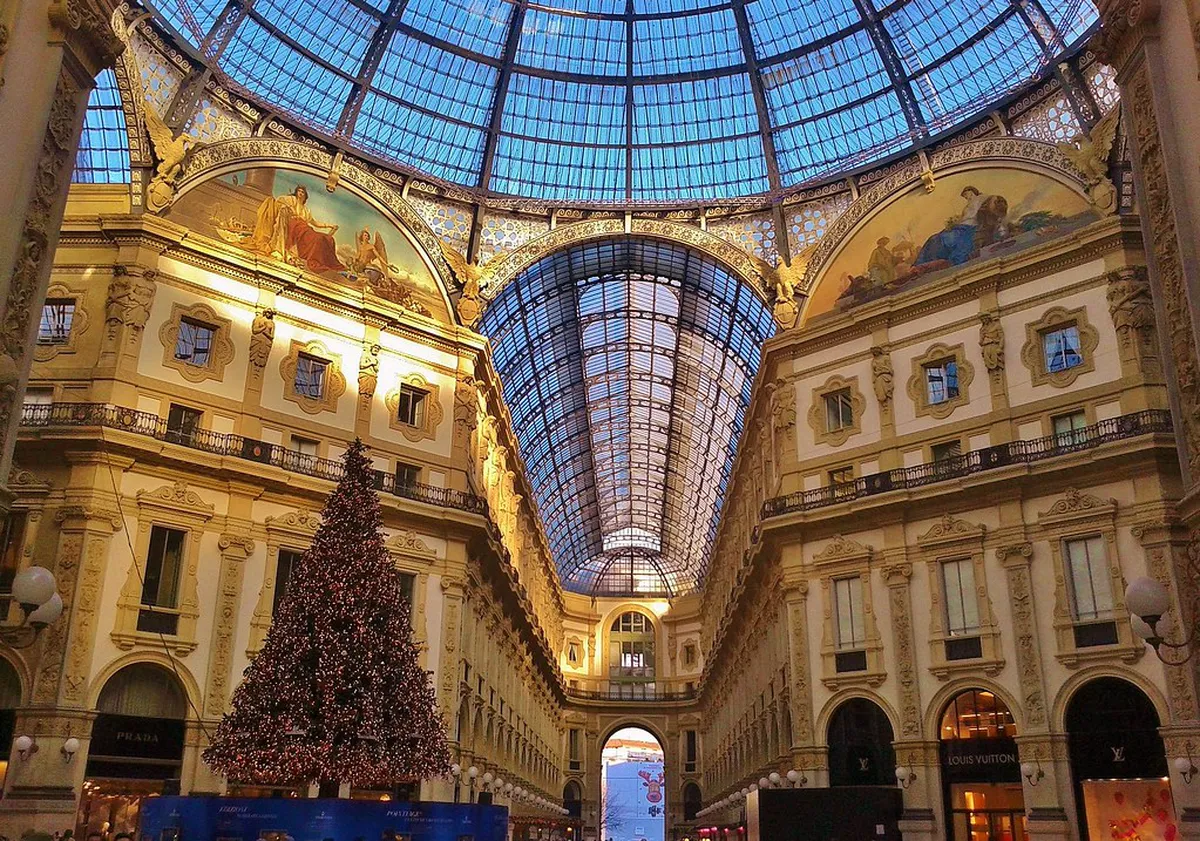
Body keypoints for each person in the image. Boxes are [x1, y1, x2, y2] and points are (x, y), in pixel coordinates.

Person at [250, 185, 344, 273]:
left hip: (305, 229)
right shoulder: (291, 199)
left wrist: (329, 226)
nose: (300, 193)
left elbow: (315, 223)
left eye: (302, 192)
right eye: (299, 191)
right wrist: (286, 207)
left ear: (305, 196)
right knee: (317, 238)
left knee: (325, 238)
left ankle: (325, 260)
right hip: (294, 228)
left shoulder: (306, 210)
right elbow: (278, 201)